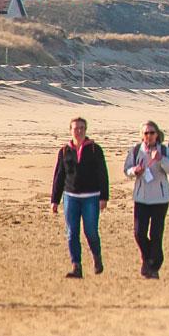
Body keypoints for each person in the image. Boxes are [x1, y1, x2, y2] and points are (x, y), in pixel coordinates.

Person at [52, 117, 110, 278]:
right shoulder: (64, 151)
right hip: (70, 196)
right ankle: (76, 266)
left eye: (82, 128)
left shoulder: (94, 149)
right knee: (72, 232)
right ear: (70, 130)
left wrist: (104, 197)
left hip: (91, 197)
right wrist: (54, 200)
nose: (79, 131)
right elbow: (59, 175)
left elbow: (102, 174)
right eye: (76, 128)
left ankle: (97, 257)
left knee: (90, 231)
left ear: (86, 130)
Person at [124, 121, 169, 279]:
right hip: (141, 198)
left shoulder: (164, 150)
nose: (149, 136)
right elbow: (127, 169)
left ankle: (154, 265)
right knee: (139, 233)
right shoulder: (136, 150)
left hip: (160, 199)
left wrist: (162, 160)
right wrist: (134, 171)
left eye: (152, 133)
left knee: (156, 234)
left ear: (157, 134)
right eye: (146, 133)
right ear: (142, 136)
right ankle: (148, 259)